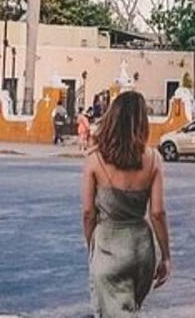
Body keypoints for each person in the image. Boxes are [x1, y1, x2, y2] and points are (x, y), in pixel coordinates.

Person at [82, 91, 171, 316]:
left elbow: (88, 213)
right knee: (132, 309)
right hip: (141, 251)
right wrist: (166, 256)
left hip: (109, 247)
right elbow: (158, 213)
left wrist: (92, 243)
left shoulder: (95, 160)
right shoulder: (154, 159)